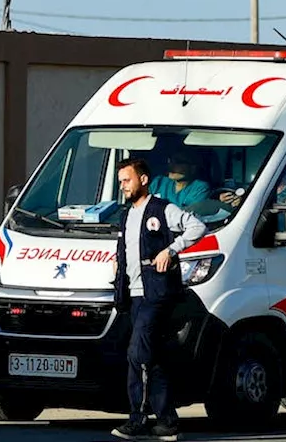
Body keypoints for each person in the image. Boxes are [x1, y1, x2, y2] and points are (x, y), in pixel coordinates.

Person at [112, 158, 207, 441]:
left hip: (155, 294)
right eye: (120, 182)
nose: (122, 187)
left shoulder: (162, 209)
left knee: (137, 354)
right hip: (132, 295)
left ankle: (137, 419)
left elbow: (197, 228)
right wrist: (118, 268)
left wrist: (171, 250)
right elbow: (125, 248)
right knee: (153, 359)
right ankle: (167, 421)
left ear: (143, 180)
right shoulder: (126, 214)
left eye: (126, 180)